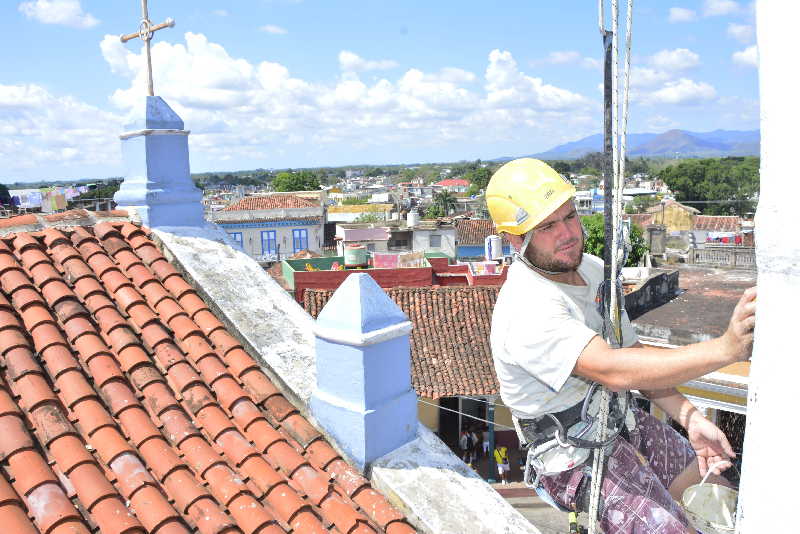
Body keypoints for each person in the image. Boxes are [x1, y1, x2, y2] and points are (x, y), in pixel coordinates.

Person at [487, 158, 756, 534]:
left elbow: (633, 353)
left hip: (617, 418)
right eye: (547, 226)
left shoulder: (593, 270)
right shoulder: (527, 307)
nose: (567, 233)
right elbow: (613, 369)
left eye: (569, 216)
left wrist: (690, 418)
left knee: (718, 499)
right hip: (570, 457)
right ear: (515, 238)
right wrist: (726, 349)